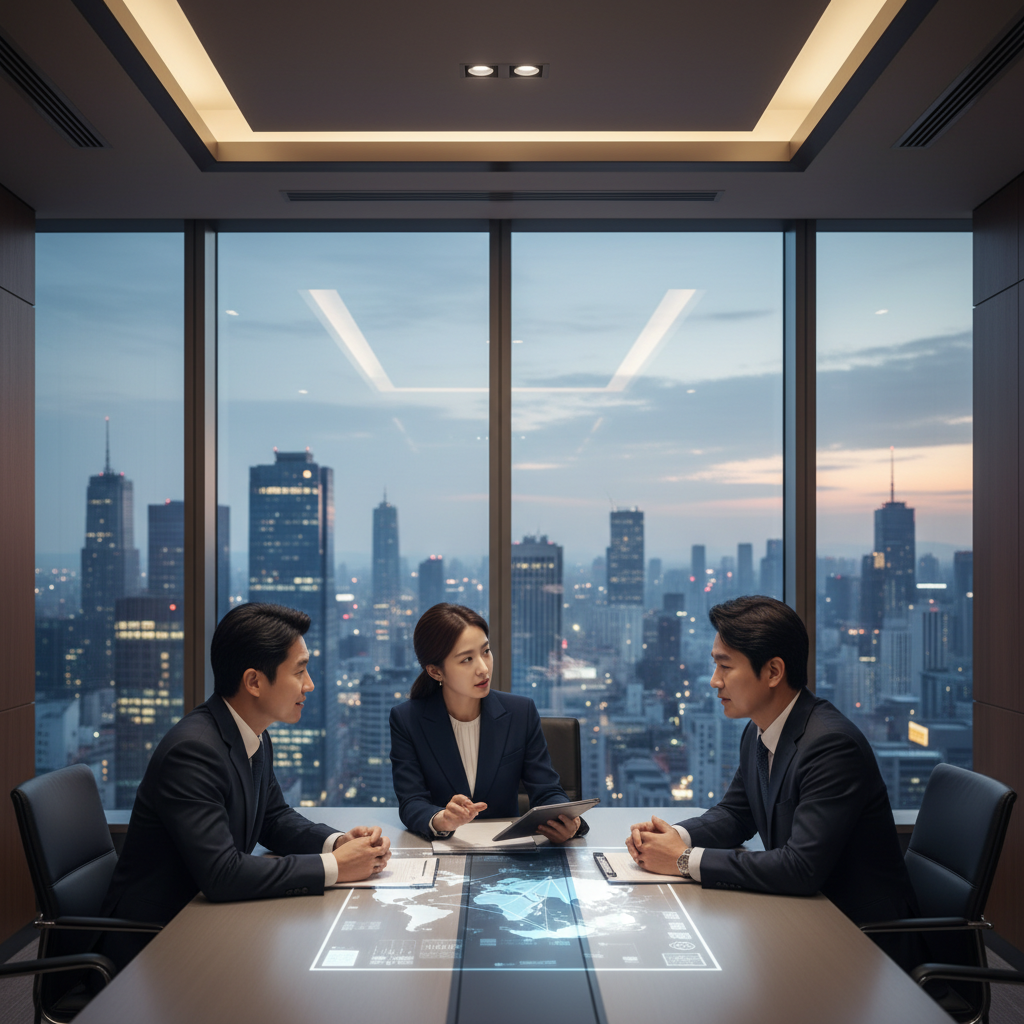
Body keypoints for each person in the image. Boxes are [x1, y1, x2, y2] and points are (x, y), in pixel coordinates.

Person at [101, 603, 390, 968]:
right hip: (152, 947)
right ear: (254, 682)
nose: (309, 684)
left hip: (207, 924)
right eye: (299, 670)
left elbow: (273, 817)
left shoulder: (252, 734)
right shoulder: (193, 751)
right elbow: (222, 874)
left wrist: (338, 843)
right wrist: (333, 867)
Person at [627, 596, 917, 939]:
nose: (715, 681)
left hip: (862, 938)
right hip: (803, 918)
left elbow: (800, 868)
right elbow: (736, 814)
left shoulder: (831, 747)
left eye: (725, 667)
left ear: (774, 672)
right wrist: (675, 837)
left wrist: (683, 859)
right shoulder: (759, 730)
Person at [390, 603, 588, 842]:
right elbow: (411, 802)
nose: (483, 668)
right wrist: (442, 819)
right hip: (444, 848)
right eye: (467, 659)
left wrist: (570, 822)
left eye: (486, 651)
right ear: (435, 672)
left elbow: (548, 791)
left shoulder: (520, 713)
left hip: (508, 851)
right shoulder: (407, 720)